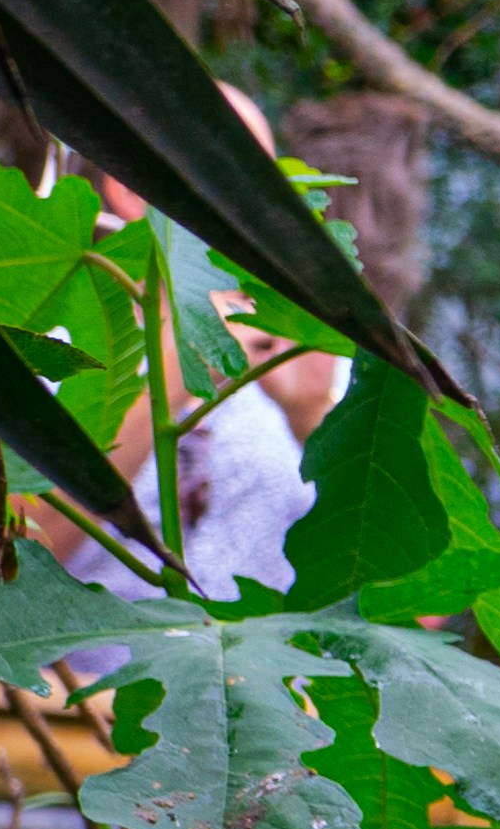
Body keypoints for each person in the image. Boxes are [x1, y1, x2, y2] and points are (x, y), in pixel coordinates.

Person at [24, 87, 347, 610]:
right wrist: (180, 366)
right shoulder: (43, 354)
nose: (249, 204)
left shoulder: (313, 358)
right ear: (129, 189)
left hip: (272, 667)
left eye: (265, 181)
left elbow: (420, 606)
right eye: (222, 171)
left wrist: (312, 418)